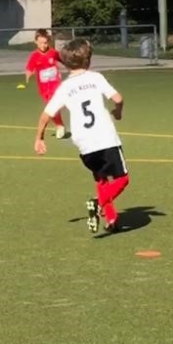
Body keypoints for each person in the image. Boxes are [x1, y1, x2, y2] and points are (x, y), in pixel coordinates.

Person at [34, 38, 128, 234]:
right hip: (106, 138)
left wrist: (39, 138)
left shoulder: (65, 87)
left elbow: (46, 115)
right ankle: (99, 203)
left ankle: (111, 219)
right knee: (122, 179)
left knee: (101, 180)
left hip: (84, 144)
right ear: (88, 59)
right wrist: (118, 111)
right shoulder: (96, 78)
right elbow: (118, 98)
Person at [25, 28, 66, 139]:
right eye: (41, 43)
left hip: (55, 85)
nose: (43, 45)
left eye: (45, 43)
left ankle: (60, 126)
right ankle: (60, 125)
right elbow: (29, 68)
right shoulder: (34, 56)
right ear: (35, 42)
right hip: (43, 89)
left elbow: (63, 59)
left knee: (53, 105)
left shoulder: (53, 53)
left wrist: (71, 65)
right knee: (52, 107)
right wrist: (28, 75)